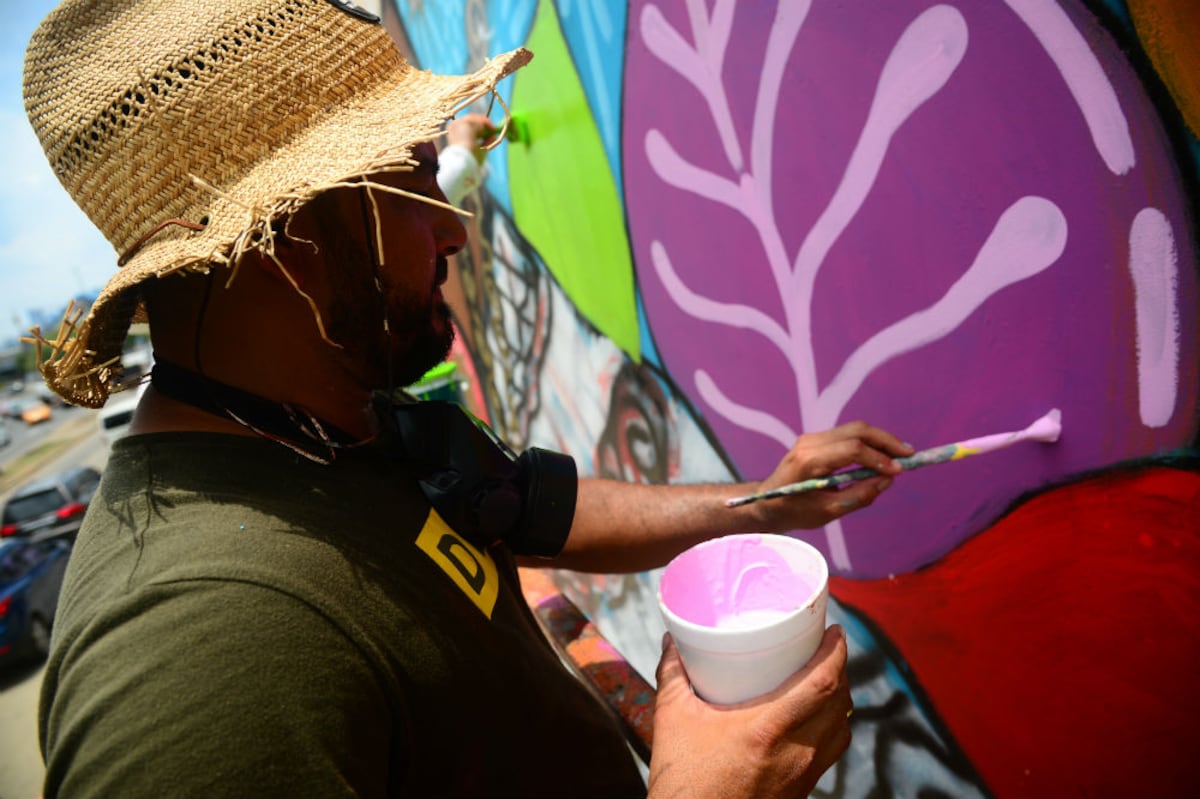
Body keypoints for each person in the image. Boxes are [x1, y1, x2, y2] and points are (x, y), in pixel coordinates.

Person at [22, 1, 912, 797]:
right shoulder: (199, 652)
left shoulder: (329, 422)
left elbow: (539, 510)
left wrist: (770, 500)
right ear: (282, 244)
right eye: (407, 181)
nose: (452, 224)